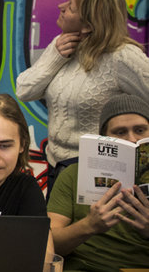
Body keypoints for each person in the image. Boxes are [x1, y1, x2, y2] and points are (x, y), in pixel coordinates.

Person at [16, 0, 149, 186]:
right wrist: (55, 57)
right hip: (56, 166)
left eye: (70, 7)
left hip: (97, 172)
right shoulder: (61, 45)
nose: (61, 6)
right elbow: (24, 91)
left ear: (88, 25)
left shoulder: (123, 56)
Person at [47, 94, 149, 271]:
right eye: (120, 132)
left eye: (140, 130)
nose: (132, 139)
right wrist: (89, 226)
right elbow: (48, 246)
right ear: (104, 138)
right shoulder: (72, 174)